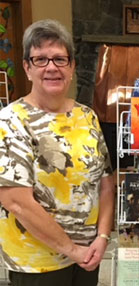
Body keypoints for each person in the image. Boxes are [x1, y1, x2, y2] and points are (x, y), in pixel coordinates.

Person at [0, 19, 114, 286]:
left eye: (60, 59)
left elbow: (106, 183)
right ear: (27, 68)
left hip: (88, 256)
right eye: (40, 59)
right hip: (37, 265)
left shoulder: (87, 116)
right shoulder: (10, 121)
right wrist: (73, 250)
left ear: (72, 66)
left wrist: (103, 237)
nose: (51, 67)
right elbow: (16, 201)